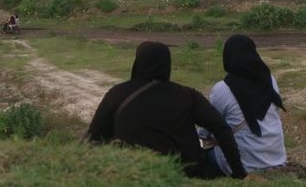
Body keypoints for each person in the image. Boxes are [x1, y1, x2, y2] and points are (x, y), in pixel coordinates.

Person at [85, 41, 247, 179]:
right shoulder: (187, 96)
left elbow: (93, 138)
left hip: (131, 168)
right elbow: (221, 128)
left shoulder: (117, 94)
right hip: (183, 171)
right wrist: (239, 172)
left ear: (138, 62)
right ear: (167, 65)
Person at [199, 35, 286, 176]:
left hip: (242, 165)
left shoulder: (223, 88)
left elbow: (207, 127)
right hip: (276, 160)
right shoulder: (270, 81)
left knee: (200, 157)